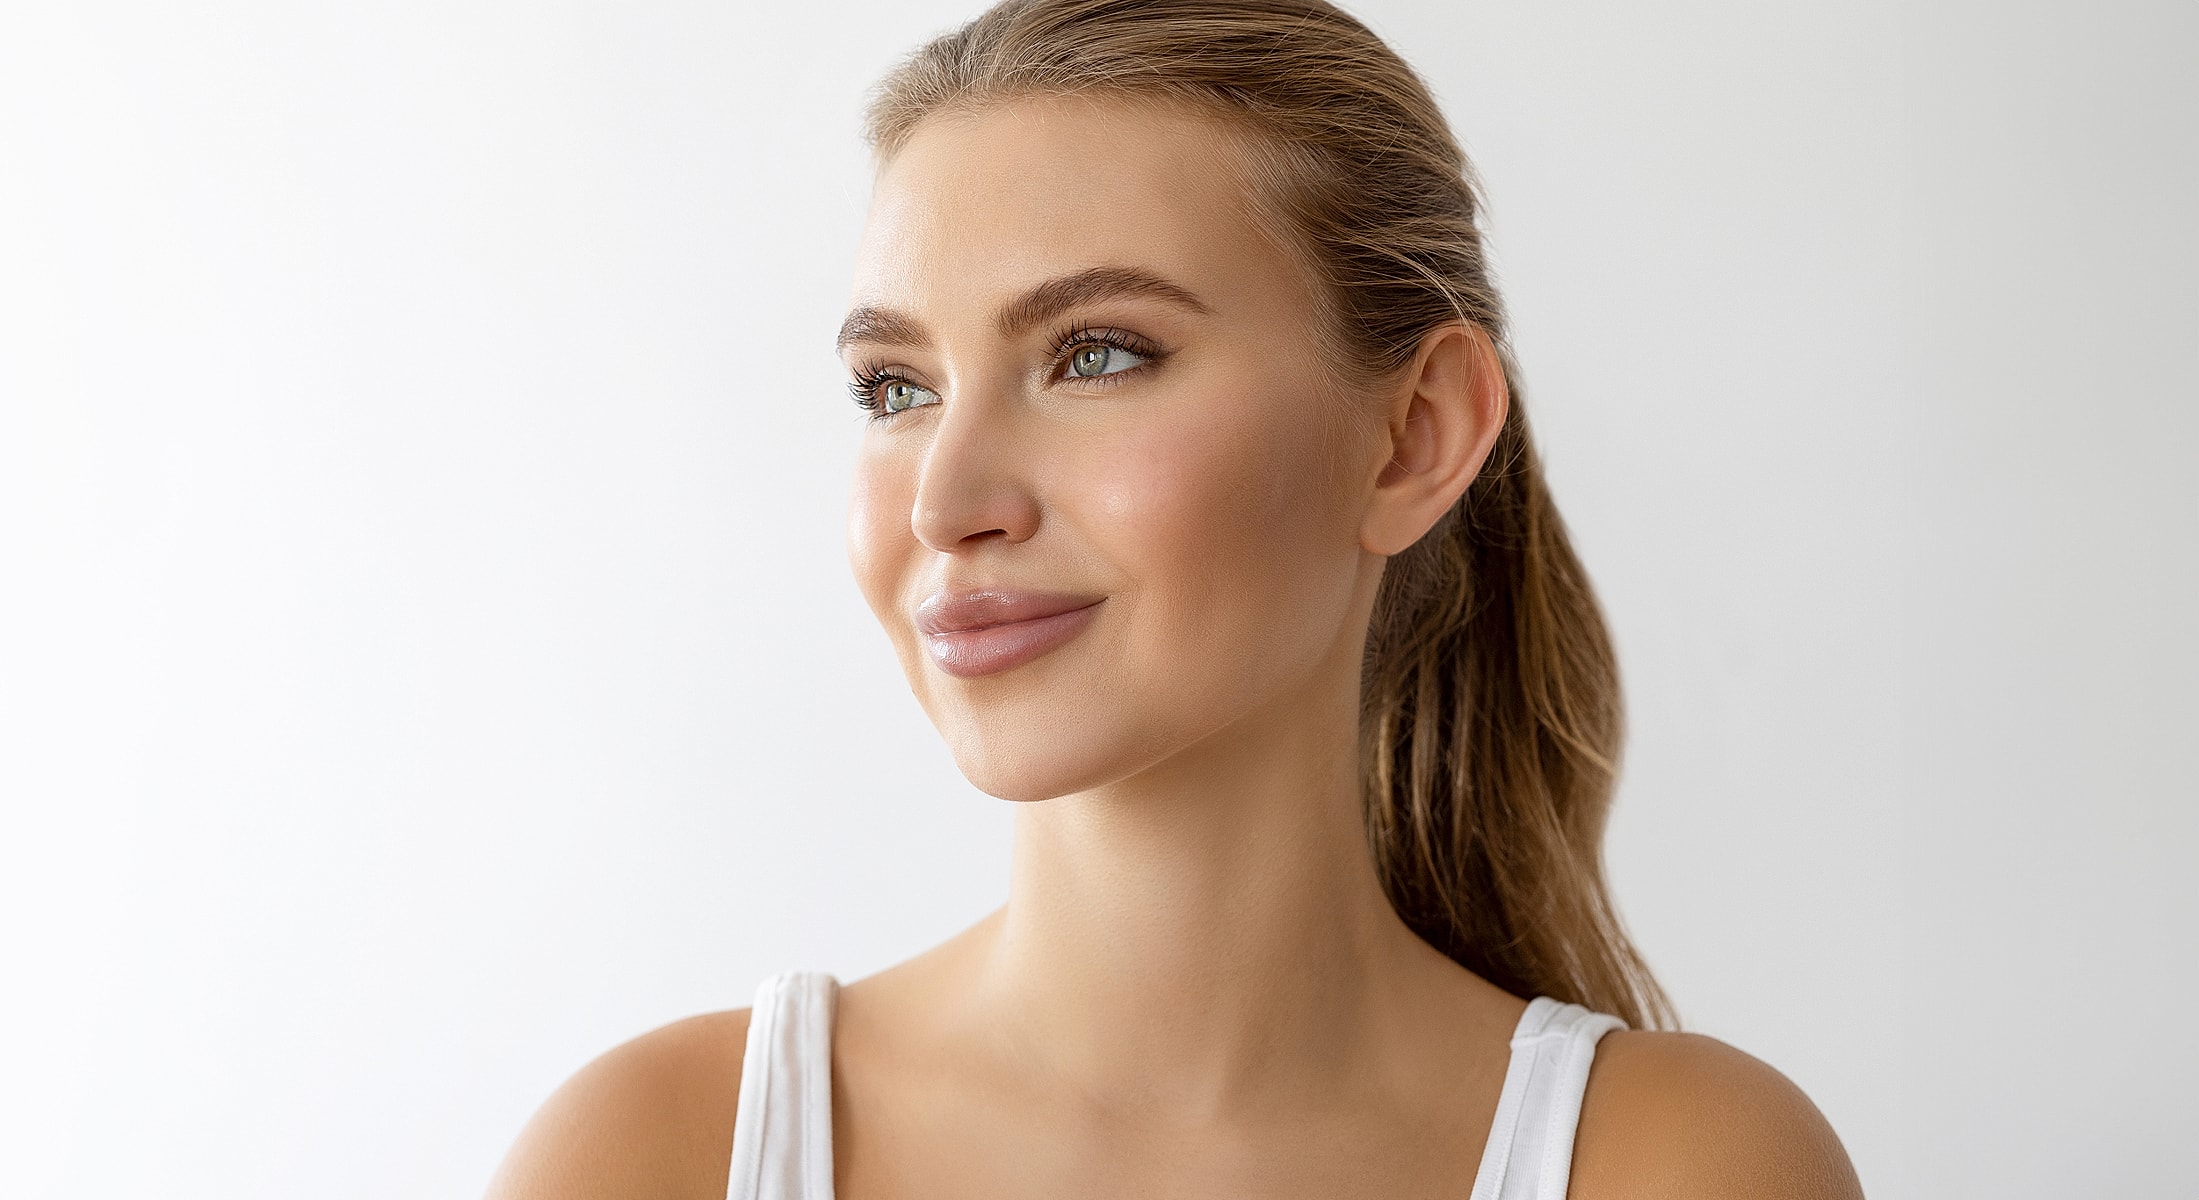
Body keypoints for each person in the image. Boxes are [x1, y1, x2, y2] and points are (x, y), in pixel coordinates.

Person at [488, 1, 1864, 1196]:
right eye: (895, 389)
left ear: (1416, 436)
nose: (944, 500)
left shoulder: (1682, 1165)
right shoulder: (653, 1156)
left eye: (1096, 354)